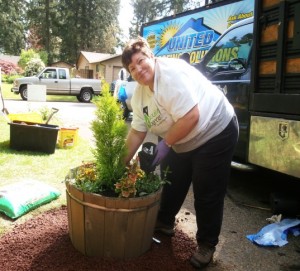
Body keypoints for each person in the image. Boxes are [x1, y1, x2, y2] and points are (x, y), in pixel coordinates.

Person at [121, 37, 239, 269]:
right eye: (132, 68)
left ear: (151, 57)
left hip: (215, 128)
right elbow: (137, 131)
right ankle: (165, 222)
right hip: (182, 136)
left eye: (141, 61)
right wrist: (120, 163)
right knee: (172, 178)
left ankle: (206, 244)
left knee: (206, 189)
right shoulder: (140, 94)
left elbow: (191, 117)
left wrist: (164, 147)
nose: (138, 69)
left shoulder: (171, 75)